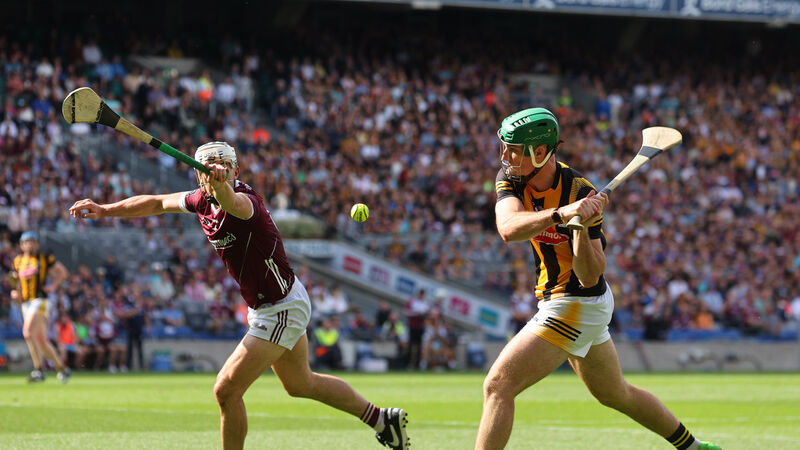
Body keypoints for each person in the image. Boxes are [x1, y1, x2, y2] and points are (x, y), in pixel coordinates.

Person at [69, 141, 409, 450]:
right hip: (272, 304)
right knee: (301, 384)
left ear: (236, 171)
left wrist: (221, 186)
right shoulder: (200, 200)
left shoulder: (247, 204)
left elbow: (231, 202)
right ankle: (382, 420)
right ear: (198, 174)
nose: (218, 172)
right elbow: (157, 203)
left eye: (225, 166)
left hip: (280, 307)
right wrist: (106, 210)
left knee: (226, 390)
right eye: (209, 168)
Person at [475, 108, 721, 450]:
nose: (505, 156)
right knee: (615, 394)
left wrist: (581, 228)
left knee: (498, 385)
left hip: (577, 302)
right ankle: (694, 448)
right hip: (564, 301)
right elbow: (508, 228)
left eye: (514, 150)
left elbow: (590, 276)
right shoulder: (512, 178)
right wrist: (562, 215)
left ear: (540, 152)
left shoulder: (580, 190)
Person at [10, 231, 71, 383]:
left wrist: (53, 286)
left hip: (40, 300)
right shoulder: (18, 261)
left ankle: (38, 370)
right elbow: (16, 280)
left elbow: (62, 272)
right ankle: (62, 369)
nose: (30, 245)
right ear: (22, 245)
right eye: (26, 242)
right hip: (26, 303)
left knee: (27, 333)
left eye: (32, 242)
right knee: (41, 340)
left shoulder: (43, 258)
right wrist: (15, 293)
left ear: (37, 244)